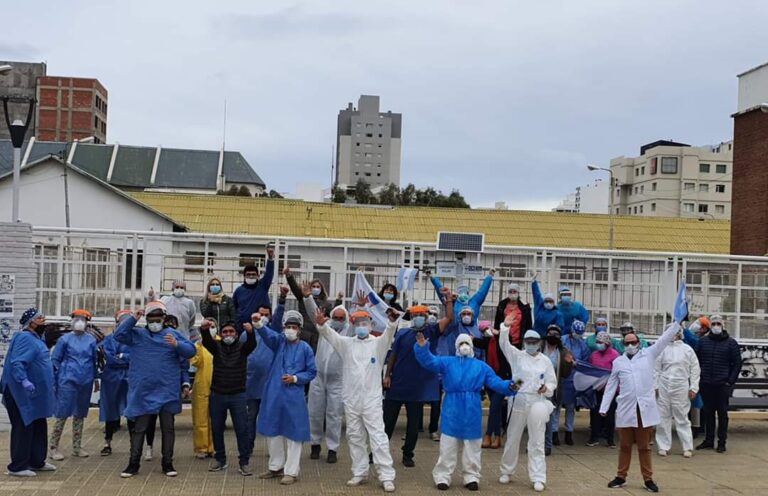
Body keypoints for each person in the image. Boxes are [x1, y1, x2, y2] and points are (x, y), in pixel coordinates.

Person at [414, 332, 517, 491]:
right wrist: (422, 349)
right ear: (456, 346)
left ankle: (471, 476)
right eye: (461, 343)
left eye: (467, 343)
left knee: (473, 446)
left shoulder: (481, 366)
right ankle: (443, 476)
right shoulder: (447, 362)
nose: (464, 346)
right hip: (452, 408)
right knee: (448, 445)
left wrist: (510, 386)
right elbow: (430, 362)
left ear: (472, 346)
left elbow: (495, 381)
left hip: (472, 409)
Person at [314, 308, 400, 493]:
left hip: (371, 400)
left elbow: (389, 332)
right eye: (358, 323)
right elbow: (329, 335)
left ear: (370, 325)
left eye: (365, 323)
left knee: (378, 437)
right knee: (354, 436)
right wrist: (321, 324)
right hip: (351, 399)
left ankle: (386, 475)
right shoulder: (346, 344)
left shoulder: (378, 344)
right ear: (352, 325)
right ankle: (360, 471)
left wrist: (392, 322)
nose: (362, 327)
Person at [114, 301, 197, 478]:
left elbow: (190, 351)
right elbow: (119, 335)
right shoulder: (137, 335)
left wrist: (177, 345)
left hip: (167, 391)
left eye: (158, 319)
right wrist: (133, 318)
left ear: (164, 319)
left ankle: (168, 463)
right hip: (143, 392)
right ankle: (133, 464)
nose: (154, 323)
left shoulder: (172, 334)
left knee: (168, 429)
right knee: (139, 428)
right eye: (151, 319)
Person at [600, 322, 681, 493]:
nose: (630, 346)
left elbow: (664, 339)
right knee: (625, 445)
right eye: (627, 343)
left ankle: (648, 479)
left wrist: (677, 323)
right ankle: (621, 476)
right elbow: (611, 385)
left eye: (633, 342)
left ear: (638, 343)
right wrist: (604, 406)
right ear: (623, 344)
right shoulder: (618, 362)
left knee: (644, 446)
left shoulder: (648, 355)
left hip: (644, 408)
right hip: (625, 408)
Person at [383, 294, 454, 468]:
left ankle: (408, 454)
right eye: (415, 315)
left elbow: (449, 318)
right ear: (411, 317)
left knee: (413, 425)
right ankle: (377, 452)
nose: (419, 318)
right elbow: (394, 354)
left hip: (418, 386)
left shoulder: (431, 331)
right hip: (398, 384)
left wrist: (449, 301)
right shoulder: (402, 332)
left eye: (422, 315)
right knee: (387, 423)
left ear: (426, 317)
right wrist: (387, 375)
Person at [254, 310, 317, 485]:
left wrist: (296, 378)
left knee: (294, 435)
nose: (290, 329)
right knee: (273, 432)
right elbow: (267, 335)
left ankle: (291, 472)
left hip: (293, 397)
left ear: (299, 329)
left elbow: (312, 371)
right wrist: (258, 323)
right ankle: (275, 467)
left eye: (294, 327)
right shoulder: (279, 342)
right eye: (288, 326)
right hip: (274, 395)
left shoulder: (305, 348)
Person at [498, 319, 557, 493]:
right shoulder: (517, 356)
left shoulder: (545, 361)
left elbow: (552, 382)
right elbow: (503, 343)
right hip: (518, 400)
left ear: (539, 343)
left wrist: (547, 389)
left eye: (534, 342)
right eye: (528, 342)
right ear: (524, 342)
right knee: (513, 437)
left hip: (537, 402)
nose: (531, 345)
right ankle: (506, 471)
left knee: (537, 440)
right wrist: (505, 327)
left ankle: (538, 477)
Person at [1, 308, 57, 477]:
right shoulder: (25, 338)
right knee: (23, 427)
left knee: (39, 426)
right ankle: (17, 466)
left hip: (35, 395)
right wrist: (23, 381)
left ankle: (36, 461)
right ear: (31, 322)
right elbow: (17, 362)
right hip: (21, 393)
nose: (44, 321)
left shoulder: (37, 338)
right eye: (40, 318)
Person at [302, 290, 355, 464]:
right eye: (336, 317)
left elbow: (360, 321)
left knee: (334, 415)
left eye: (341, 318)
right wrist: (308, 297)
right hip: (318, 378)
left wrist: (361, 306)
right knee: (314, 413)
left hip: (337, 381)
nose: (338, 321)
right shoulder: (324, 327)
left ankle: (332, 448)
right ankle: (315, 444)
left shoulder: (348, 332)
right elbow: (313, 313)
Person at [200, 318, 256, 475]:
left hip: (238, 395)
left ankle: (244, 462)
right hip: (217, 394)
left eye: (231, 331)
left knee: (242, 429)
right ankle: (220, 459)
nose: (228, 334)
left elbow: (252, 344)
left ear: (237, 334)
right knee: (217, 428)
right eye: (225, 332)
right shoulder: (216, 347)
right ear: (220, 335)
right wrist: (204, 329)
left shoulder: (243, 348)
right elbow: (206, 342)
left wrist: (251, 332)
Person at [49, 309, 99, 460]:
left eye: (82, 319)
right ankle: (53, 447)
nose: (79, 321)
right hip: (67, 379)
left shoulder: (91, 340)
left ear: (87, 322)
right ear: (71, 320)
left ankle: (77, 447)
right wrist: (54, 379)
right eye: (76, 318)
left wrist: (95, 379)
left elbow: (94, 361)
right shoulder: (64, 340)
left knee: (80, 414)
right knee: (62, 413)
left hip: (85, 380)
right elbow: (55, 360)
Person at [245, 292, 286, 455]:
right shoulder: (247, 334)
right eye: (260, 315)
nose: (263, 317)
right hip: (251, 384)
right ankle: (247, 449)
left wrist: (282, 300)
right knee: (250, 419)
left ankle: (274, 451)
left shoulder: (273, 333)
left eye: (266, 315)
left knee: (271, 418)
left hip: (270, 386)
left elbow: (278, 317)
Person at [695, 314, 741, 453]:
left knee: (722, 414)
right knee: (708, 413)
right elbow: (696, 361)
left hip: (723, 384)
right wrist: (699, 379)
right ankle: (709, 440)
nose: (716, 326)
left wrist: (730, 381)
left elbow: (737, 363)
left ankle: (722, 442)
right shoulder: (703, 341)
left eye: (718, 324)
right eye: (713, 323)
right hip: (706, 383)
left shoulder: (731, 343)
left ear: (722, 325)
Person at [655, 327, 700, 458]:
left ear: (680, 334)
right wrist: (655, 386)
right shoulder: (662, 349)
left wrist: (693, 388)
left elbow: (695, 369)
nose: (674, 335)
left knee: (682, 416)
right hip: (664, 384)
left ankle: (687, 447)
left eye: (676, 332)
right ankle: (663, 446)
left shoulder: (687, 349)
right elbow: (656, 369)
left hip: (681, 385)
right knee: (663, 416)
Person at [99, 310, 133, 456]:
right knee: (110, 411)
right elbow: (109, 358)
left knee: (132, 412)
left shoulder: (133, 339)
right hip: (111, 379)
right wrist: (124, 359)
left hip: (129, 378)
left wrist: (121, 356)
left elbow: (134, 357)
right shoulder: (109, 339)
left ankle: (135, 446)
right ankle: (107, 442)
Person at [542, 324, 574, 455]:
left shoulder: (563, 351)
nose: (553, 336)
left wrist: (568, 363)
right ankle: (534, 444)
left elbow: (565, 374)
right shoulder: (538, 347)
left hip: (552, 389)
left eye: (556, 334)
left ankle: (548, 445)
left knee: (548, 419)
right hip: (536, 388)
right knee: (535, 419)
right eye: (551, 333)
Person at [559, 320, 591, 446]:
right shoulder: (562, 340)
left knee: (571, 407)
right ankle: (554, 432)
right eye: (576, 332)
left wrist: (576, 362)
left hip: (573, 379)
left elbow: (586, 361)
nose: (578, 335)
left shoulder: (582, 344)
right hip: (560, 377)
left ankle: (569, 432)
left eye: (580, 333)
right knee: (556, 406)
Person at [587, 331, 620, 447]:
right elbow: (590, 369)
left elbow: (618, 372)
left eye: (600, 342)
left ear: (607, 343)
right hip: (597, 389)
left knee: (609, 415)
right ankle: (594, 438)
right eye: (597, 342)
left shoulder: (615, 355)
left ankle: (610, 439)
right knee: (595, 413)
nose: (598, 344)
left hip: (611, 391)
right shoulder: (594, 355)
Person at [428, 270, 495, 324]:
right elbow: (483, 291)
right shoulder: (454, 301)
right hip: (462, 333)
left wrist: (433, 278)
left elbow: (441, 290)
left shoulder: (453, 302)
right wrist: (490, 276)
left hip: (462, 334)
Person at [190, 319, 215, 459]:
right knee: (201, 419)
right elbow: (194, 362)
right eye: (208, 326)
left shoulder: (220, 342)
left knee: (215, 419)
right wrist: (198, 348)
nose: (210, 329)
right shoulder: (199, 345)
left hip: (218, 386)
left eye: (212, 326)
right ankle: (202, 447)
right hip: (202, 386)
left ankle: (214, 447)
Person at [233, 246, 275, 326]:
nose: (251, 276)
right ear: (244, 276)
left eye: (253, 274)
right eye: (248, 274)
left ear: (258, 276)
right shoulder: (238, 291)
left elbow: (269, 273)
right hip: (243, 327)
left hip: (261, 327)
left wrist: (270, 259)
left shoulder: (263, 286)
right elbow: (234, 308)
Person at [493, 283, 533, 349]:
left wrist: (527, 339)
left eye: (514, 291)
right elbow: (497, 322)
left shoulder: (525, 306)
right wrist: (497, 335)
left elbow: (528, 324)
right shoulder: (502, 304)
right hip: (504, 339)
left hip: (518, 341)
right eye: (510, 292)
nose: (512, 293)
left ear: (518, 293)